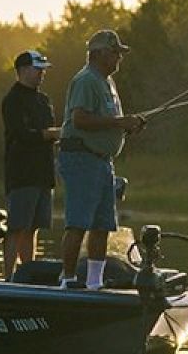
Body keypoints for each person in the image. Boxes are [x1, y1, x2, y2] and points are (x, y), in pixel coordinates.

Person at [56, 29, 146, 290]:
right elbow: (80, 119)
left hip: (102, 161)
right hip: (81, 159)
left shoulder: (108, 83)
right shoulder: (86, 80)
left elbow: (107, 122)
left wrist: (127, 126)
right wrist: (120, 122)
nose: (120, 57)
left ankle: (95, 282)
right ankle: (68, 280)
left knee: (102, 224)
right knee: (78, 223)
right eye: (116, 52)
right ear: (101, 54)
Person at [1, 49, 60, 280]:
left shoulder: (43, 100)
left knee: (33, 227)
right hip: (22, 173)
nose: (42, 74)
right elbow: (22, 134)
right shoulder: (12, 100)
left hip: (43, 173)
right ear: (23, 70)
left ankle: (28, 274)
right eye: (38, 70)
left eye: (43, 70)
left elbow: (47, 132)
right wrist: (51, 134)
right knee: (17, 226)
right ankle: (8, 277)